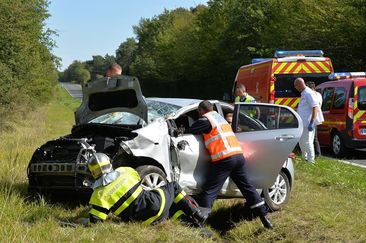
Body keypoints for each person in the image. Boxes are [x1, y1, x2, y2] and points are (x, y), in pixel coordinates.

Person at [185, 100, 273, 229]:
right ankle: (264, 217)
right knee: (248, 188)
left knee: (210, 190)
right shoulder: (220, 119)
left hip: (224, 159)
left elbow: (189, 130)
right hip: (238, 156)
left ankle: (199, 222)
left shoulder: (206, 120)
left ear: (200, 111)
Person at [81, 153, 206, 227]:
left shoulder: (98, 195)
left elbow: (95, 222)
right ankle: (196, 213)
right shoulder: (125, 171)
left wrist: (83, 220)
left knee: (170, 210)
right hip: (155, 205)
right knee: (173, 186)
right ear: (109, 163)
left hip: (142, 221)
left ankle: (191, 226)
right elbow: (139, 181)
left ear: (92, 172)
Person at [294, 78, 319, 163]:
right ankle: (304, 158)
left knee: (308, 142)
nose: (295, 88)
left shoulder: (309, 93)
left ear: (299, 84)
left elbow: (315, 108)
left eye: (296, 86)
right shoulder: (304, 93)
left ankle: (311, 161)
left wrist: (312, 122)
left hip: (308, 123)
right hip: (302, 123)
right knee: (302, 142)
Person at [306, 81, 324, 157]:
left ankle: (314, 155)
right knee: (314, 138)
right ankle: (318, 154)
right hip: (316, 117)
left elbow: (314, 107)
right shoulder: (319, 95)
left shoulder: (311, 95)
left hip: (311, 117)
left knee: (310, 138)